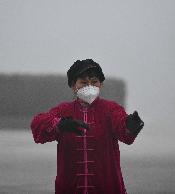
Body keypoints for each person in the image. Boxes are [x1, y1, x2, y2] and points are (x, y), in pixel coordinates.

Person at [30, 59, 144, 194]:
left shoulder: (111, 109)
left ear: (101, 84)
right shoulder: (63, 110)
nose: (89, 86)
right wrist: (59, 124)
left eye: (94, 82)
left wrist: (130, 125)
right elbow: (37, 125)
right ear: (73, 85)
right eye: (83, 82)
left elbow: (124, 132)